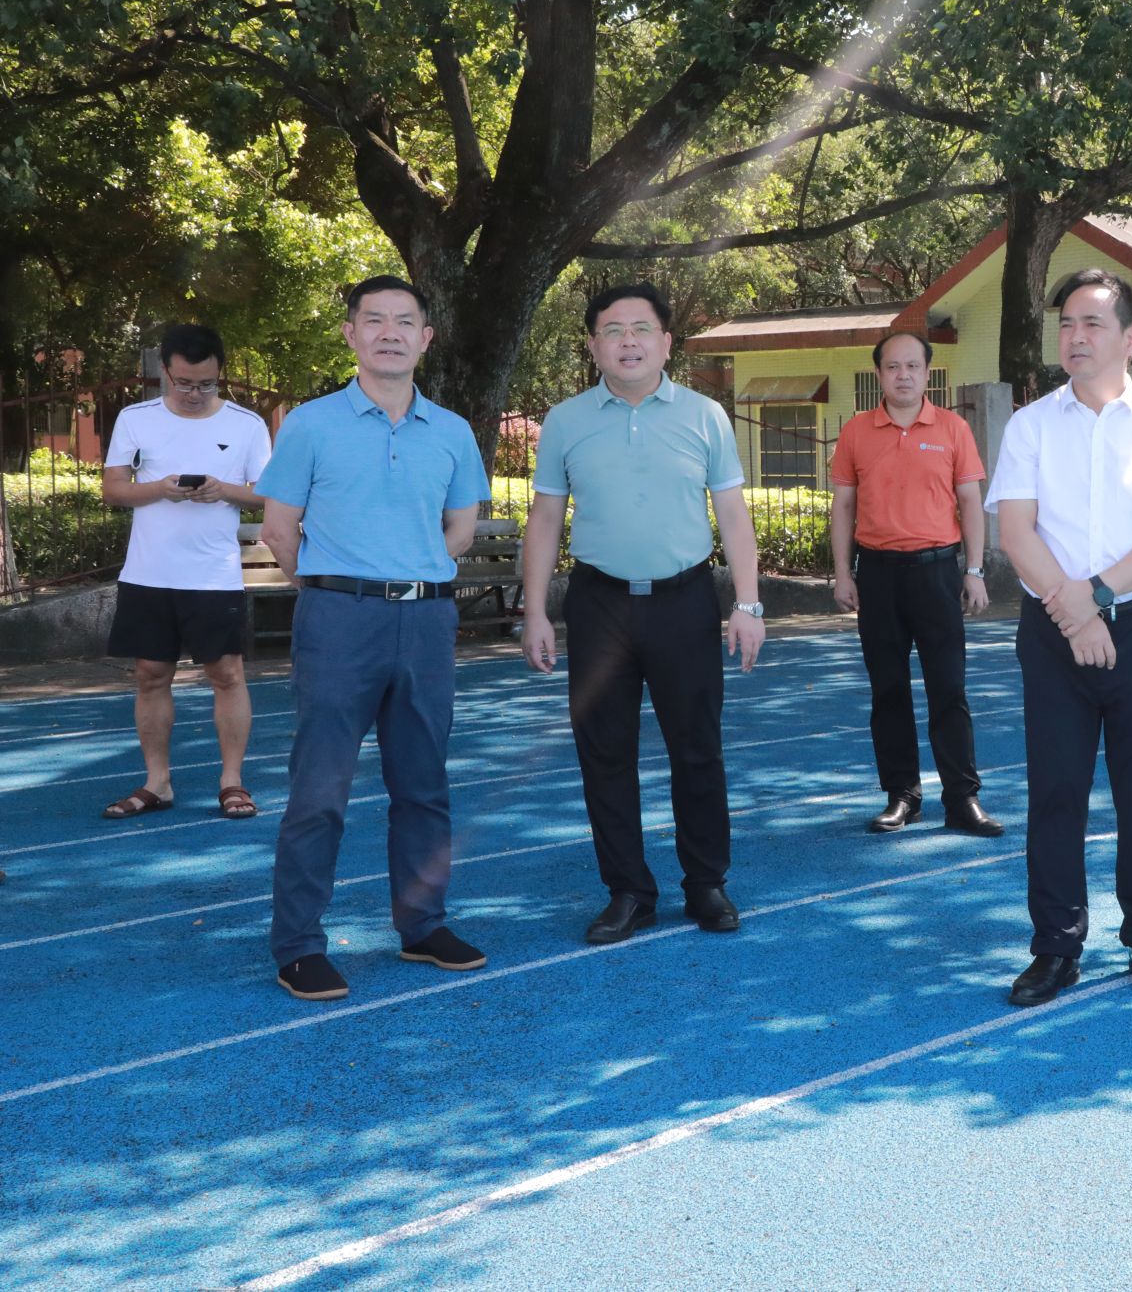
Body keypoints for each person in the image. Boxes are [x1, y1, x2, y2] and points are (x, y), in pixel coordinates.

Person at [256, 275, 493, 1001]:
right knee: (320, 789)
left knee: (424, 784)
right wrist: (337, 588)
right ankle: (298, 945)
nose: (390, 333)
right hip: (339, 620)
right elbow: (279, 529)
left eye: (405, 321)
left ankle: (423, 926)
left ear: (426, 337)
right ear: (351, 333)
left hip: (425, 621)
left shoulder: (451, 430)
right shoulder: (310, 424)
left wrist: (408, 577)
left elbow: (461, 528)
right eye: (375, 320)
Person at [986, 268, 1132, 1007]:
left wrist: (1099, 596)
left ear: (1130, 339)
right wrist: (1075, 615)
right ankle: (1055, 946)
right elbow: (1016, 531)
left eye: (1092, 324)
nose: (1075, 337)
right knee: (1056, 792)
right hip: (1054, 634)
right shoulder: (1030, 425)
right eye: (1066, 325)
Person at [520, 282, 766, 946]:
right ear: (592, 344)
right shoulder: (566, 420)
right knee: (603, 752)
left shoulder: (705, 416)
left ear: (666, 341)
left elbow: (733, 513)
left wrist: (747, 603)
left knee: (697, 747)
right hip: (598, 603)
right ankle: (628, 890)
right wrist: (535, 610)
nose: (627, 341)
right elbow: (545, 519)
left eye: (641, 329)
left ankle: (706, 881)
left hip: (685, 600)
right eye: (612, 330)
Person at [829, 329, 1003, 837]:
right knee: (888, 691)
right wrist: (843, 573)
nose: (902, 375)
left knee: (949, 688)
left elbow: (970, 503)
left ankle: (962, 799)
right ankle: (902, 796)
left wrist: (974, 570)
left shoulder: (953, 429)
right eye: (892, 367)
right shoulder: (856, 431)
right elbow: (843, 506)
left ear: (928, 374)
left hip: (938, 573)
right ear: (878, 374)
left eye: (912, 366)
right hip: (878, 575)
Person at [98, 324, 271, 821]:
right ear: (164, 373)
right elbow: (113, 489)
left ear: (220, 374)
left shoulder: (247, 424)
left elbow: (267, 493)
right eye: (184, 383)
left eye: (206, 384)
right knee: (151, 675)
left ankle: (232, 782)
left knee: (227, 674)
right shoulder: (135, 418)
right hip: (148, 573)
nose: (194, 393)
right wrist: (160, 489)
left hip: (213, 575)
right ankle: (158, 783)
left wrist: (223, 490)